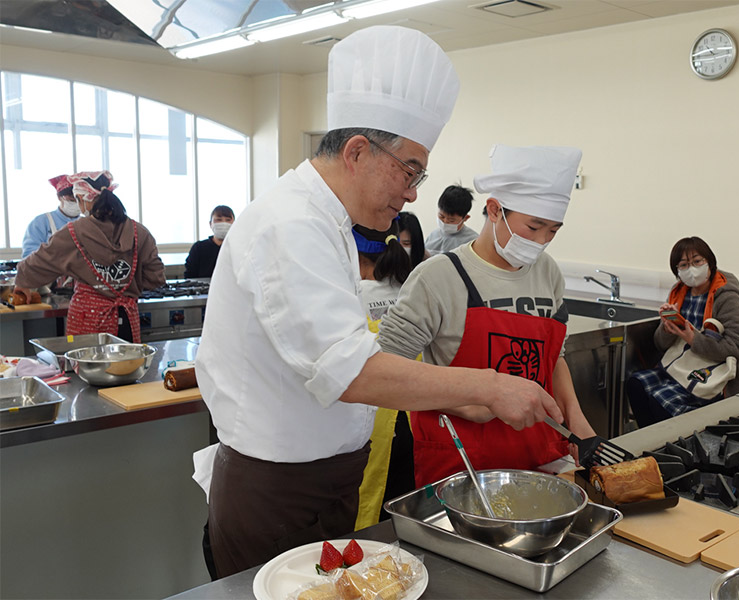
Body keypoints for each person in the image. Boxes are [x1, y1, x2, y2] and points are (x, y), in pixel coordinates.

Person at [193, 26, 565, 579]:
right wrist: (487, 386)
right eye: (410, 170)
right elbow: (352, 371)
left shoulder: (328, 221)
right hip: (281, 490)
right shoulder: (291, 224)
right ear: (357, 151)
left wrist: (458, 398)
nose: (413, 192)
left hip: (321, 480)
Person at [379, 144, 597, 487]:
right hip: (462, 463)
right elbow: (386, 370)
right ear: (494, 210)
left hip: (539, 455)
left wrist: (577, 419)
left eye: (553, 231)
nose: (542, 241)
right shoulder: (438, 277)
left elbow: (554, 359)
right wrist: (466, 400)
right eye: (534, 227)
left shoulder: (548, 272)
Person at [13, 171, 165, 342]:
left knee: (86, 360)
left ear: (82, 198)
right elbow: (155, 277)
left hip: (87, 321)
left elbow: (40, 261)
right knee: (126, 358)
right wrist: (123, 286)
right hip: (126, 319)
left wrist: (22, 282)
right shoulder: (139, 232)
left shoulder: (74, 232)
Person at [626, 237, 739, 427]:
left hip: (713, 372)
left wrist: (694, 339)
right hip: (681, 365)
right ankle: (652, 439)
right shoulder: (678, 292)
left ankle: (679, 442)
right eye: (684, 265)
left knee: (661, 400)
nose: (691, 269)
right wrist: (668, 327)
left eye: (697, 261)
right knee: (636, 384)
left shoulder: (725, 296)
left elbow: (738, 347)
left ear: (710, 262)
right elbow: (660, 344)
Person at [352, 219, 415, 530]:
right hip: (414, 419)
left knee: (367, 513)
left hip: (371, 426)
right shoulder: (409, 290)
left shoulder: (352, 294)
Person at [21, 174, 80, 258]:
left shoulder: (87, 224)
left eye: (78, 199)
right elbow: (29, 257)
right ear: (59, 197)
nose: (75, 203)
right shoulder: (41, 223)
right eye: (71, 199)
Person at [424, 184, 479, 255]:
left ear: (465, 218)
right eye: (441, 216)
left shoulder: (472, 242)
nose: (445, 222)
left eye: (451, 220)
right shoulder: (433, 235)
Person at [184, 205, 235, 278]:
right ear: (210, 224)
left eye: (228, 220)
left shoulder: (239, 248)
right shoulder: (199, 248)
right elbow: (189, 276)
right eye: (218, 220)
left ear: (234, 224)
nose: (223, 223)